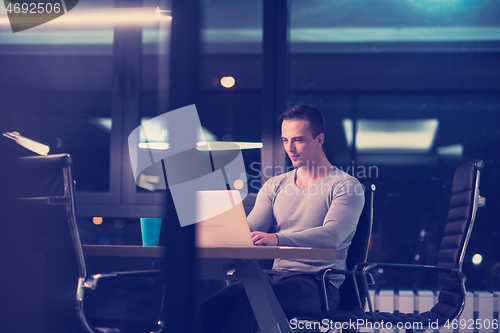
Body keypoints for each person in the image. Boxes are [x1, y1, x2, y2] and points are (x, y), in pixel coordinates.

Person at [195, 104, 365, 333]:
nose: (290, 148)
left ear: (319, 139)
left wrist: (277, 238)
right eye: (285, 140)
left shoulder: (346, 186)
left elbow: (332, 236)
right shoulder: (275, 185)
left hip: (317, 284)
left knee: (251, 307)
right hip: (273, 277)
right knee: (210, 308)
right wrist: (219, 231)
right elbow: (250, 228)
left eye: (298, 140)